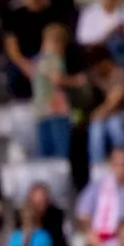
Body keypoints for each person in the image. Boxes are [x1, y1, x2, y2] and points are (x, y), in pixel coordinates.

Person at [3, 0, 57, 100]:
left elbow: (52, 42)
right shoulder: (13, 14)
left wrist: (40, 65)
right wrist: (25, 66)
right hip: (22, 60)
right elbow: (11, 47)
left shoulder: (51, 14)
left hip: (45, 58)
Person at [32, 23, 72, 158]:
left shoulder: (37, 60)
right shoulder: (54, 58)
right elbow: (57, 79)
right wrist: (77, 80)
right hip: (56, 111)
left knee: (44, 153)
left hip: (40, 111)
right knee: (60, 153)